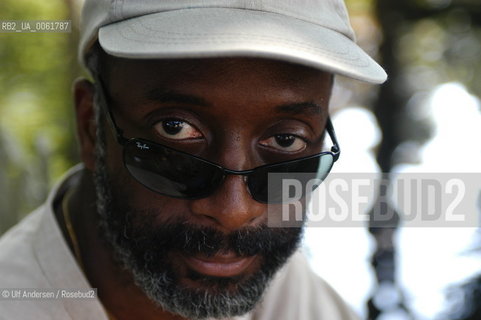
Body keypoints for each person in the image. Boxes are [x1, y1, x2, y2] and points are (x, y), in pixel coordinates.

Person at [0, 0, 387, 319]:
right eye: (175, 129)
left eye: (286, 139)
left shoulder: (274, 279)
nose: (234, 211)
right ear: (90, 126)